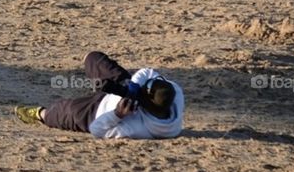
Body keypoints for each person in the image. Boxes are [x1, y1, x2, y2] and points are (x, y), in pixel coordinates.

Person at [14, 51, 183, 139]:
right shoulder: (173, 93)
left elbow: (97, 129)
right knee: (93, 58)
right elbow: (147, 72)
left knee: (57, 111)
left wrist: (118, 114)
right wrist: (133, 88)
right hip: (122, 88)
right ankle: (102, 85)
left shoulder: (137, 130)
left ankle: (37, 114)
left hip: (95, 112)